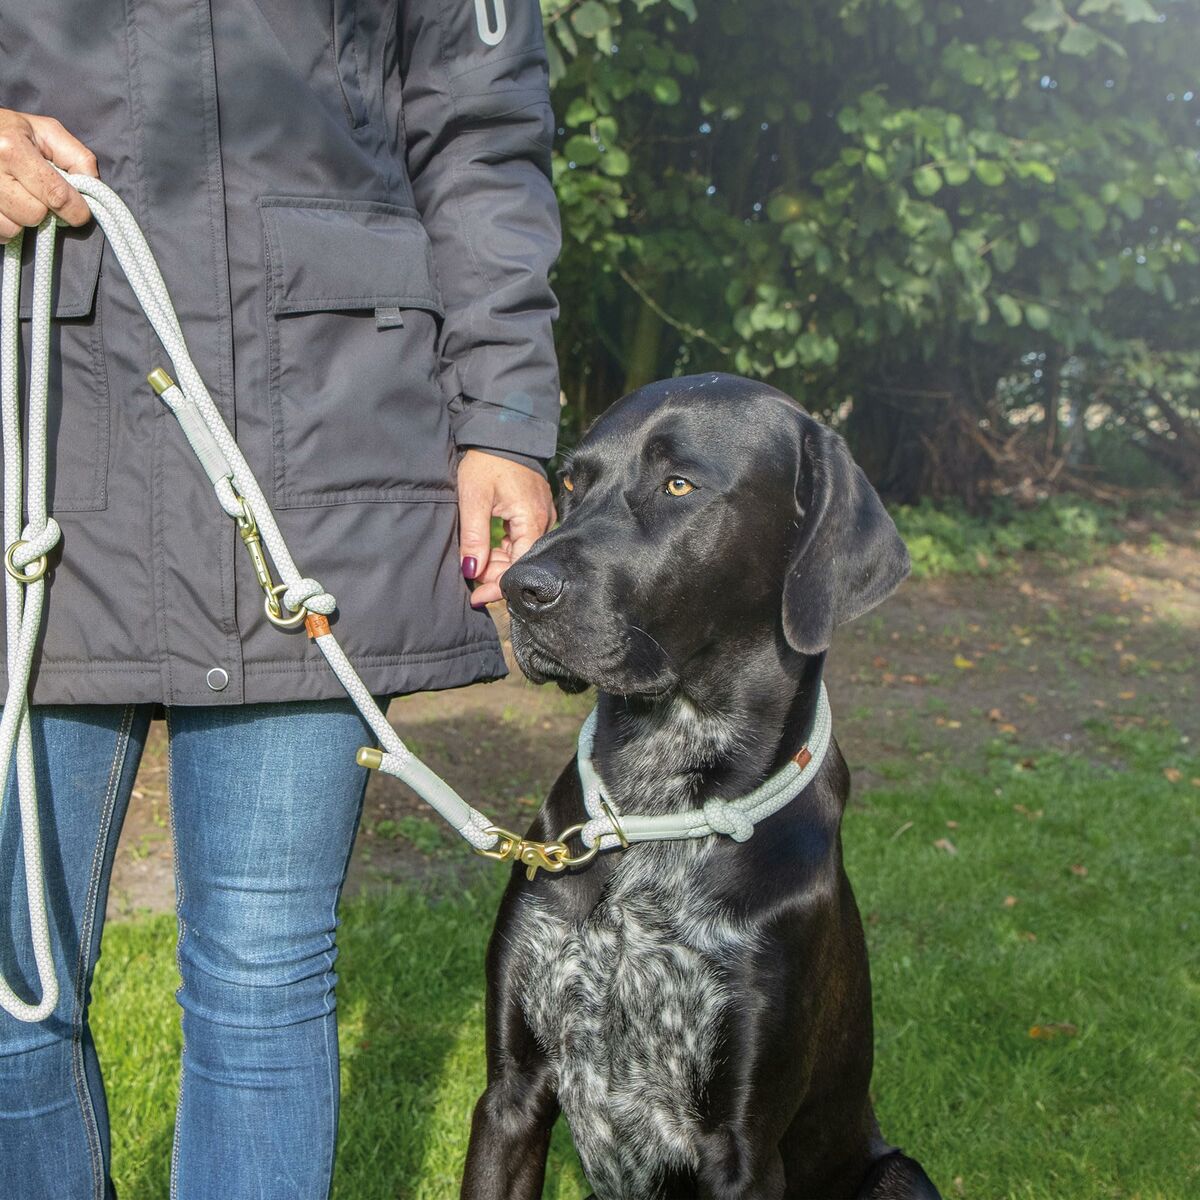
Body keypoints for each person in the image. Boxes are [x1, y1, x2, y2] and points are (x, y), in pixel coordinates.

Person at [0, 2, 560, 1197]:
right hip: (41, 428)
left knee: (262, 982)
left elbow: (481, 127)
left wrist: (505, 416)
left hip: (324, 436)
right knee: (8, 983)